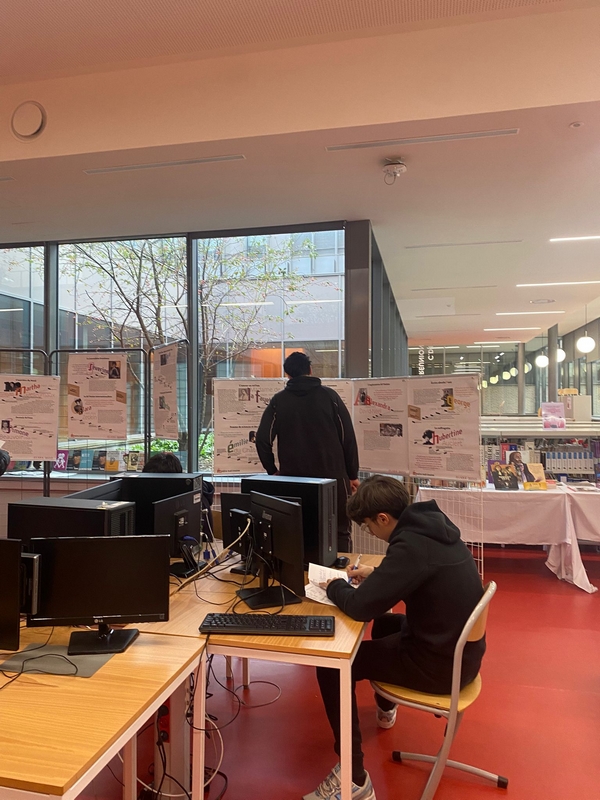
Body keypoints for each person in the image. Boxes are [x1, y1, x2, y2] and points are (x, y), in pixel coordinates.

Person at [304, 475, 485, 800]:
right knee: (386, 624)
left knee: (333, 666)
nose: (370, 533)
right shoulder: (431, 527)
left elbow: (360, 608)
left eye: (368, 526)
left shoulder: (411, 547)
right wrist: (378, 575)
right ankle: (386, 710)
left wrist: (333, 585)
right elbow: (420, 573)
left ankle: (354, 780)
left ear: (383, 518)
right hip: (460, 653)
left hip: (441, 667)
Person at [255, 351, 359, 552]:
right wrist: (352, 474)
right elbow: (347, 437)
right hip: (334, 479)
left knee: (299, 531)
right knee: (340, 532)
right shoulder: (330, 396)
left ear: (287, 374)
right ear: (310, 370)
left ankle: (302, 572)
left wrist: (272, 471)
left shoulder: (278, 401)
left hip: (294, 481)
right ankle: (342, 570)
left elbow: (262, 439)